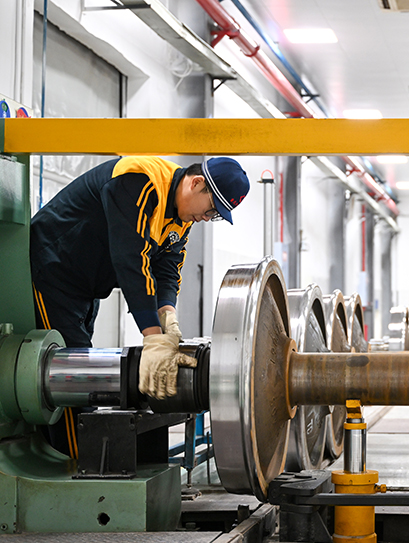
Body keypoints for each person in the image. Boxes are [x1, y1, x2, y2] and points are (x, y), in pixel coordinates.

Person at [31, 156, 249, 458]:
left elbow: (167, 270)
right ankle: (70, 465)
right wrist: (153, 338)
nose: (205, 217)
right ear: (196, 183)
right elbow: (131, 261)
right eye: (211, 209)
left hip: (83, 288)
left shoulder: (180, 219)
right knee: (67, 379)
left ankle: (66, 456)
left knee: (77, 367)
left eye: (214, 216)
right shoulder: (138, 182)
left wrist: (167, 316)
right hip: (51, 270)